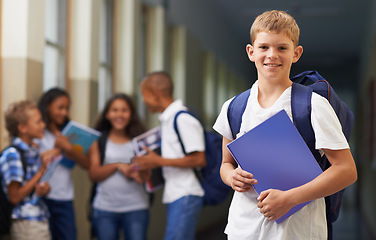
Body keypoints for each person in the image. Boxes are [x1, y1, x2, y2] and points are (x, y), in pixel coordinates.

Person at [213, 10, 357, 240]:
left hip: (298, 230)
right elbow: (225, 164)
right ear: (251, 52)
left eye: (282, 48)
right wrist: (231, 177)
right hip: (244, 229)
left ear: (296, 53)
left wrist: (290, 199)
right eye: (263, 47)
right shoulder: (234, 107)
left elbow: (346, 170)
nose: (272, 55)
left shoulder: (312, 105)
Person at [134, 71, 206, 240]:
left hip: (186, 193)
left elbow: (199, 159)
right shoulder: (167, 120)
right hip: (176, 194)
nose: (143, 100)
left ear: (156, 94)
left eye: (144, 95)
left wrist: (157, 161)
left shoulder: (182, 119)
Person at [88, 93, 150, 240]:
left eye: (124, 110)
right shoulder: (99, 140)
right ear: (107, 114)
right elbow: (93, 174)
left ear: (131, 114)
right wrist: (117, 166)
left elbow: (148, 176)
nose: (119, 114)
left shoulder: (141, 140)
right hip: (105, 208)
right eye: (115, 110)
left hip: (136, 207)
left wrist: (138, 174)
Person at [37, 88, 89, 240]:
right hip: (42, 196)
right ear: (47, 106)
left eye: (66, 108)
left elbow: (86, 164)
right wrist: (54, 151)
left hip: (64, 196)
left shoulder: (70, 135)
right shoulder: (38, 132)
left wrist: (68, 149)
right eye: (60, 107)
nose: (64, 113)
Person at [0, 100, 52, 239]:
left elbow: (31, 186)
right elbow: (15, 196)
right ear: (22, 128)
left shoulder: (33, 151)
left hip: (38, 217)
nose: (43, 125)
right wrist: (41, 172)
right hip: (25, 223)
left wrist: (44, 189)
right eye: (38, 122)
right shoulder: (13, 155)